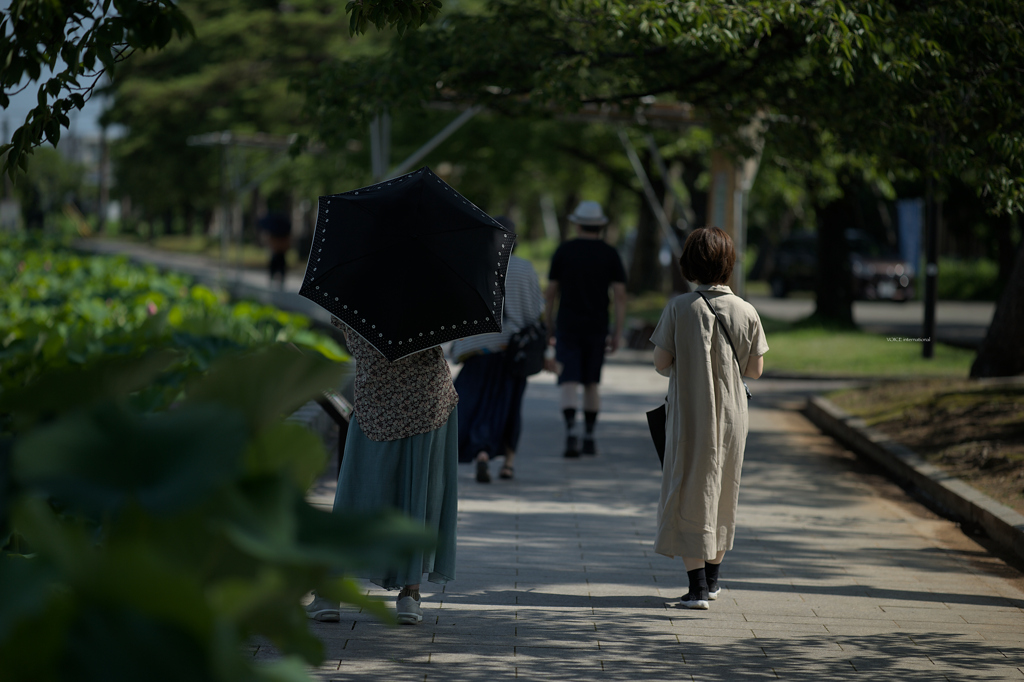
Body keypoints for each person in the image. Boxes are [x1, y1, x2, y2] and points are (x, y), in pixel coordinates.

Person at [305, 317, 459, 625]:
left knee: (356, 489)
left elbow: (349, 337)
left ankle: (330, 592)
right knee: (419, 493)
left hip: (377, 398)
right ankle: (411, 595)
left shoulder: (359, 286)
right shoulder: (436, 285)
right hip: (427, 398)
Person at [649, 226, 768, 610]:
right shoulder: (747, 310)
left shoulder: (679, 308)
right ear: (728, 264)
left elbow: (660, 362)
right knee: (724, 488)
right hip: (734, 416)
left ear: (689, 265)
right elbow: (755, 370)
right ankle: (713, 582)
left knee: (687, 488)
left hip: (690, 413)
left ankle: (697, 587)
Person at [450, 216, 543, 483]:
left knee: (475, 405)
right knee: (510, 406)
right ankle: (508, 464)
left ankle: (480, 452)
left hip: (477, 348)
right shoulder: (525, 269)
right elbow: (534, 313)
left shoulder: (472, 267)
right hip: (513, 351)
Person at [544, 200, 627, 458]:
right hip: (597, 325)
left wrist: (549, 326)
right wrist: (617, 331)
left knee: (568, 380)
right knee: (592, 382)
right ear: (600, 226)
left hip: (568, 324)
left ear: (577, 224)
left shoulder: (564, 251)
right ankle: (590, 436)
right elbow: (620, 295)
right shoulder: (610, 254)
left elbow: (551, 293)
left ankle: (571, 432)